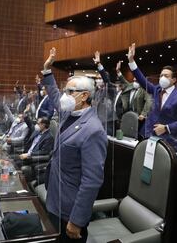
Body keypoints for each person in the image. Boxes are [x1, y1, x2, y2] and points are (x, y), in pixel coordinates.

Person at [42, 47, 107, 242]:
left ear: (85, 96)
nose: (65, 96)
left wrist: (77, 220)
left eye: (70, 92)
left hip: (70, 210)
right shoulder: (68, 113)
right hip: (54, 197)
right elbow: (54, 96)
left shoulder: (93, 130)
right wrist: (47, 70)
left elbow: (92, 181)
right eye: (66, 91)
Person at [126, 43, 177, 152]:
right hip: (151, 139)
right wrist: (131, 61)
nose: (162, 78)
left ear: (174, 80)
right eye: (161, 75)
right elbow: (142, 80)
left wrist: (167, 128)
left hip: (170, 142)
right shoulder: (156, 90)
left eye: (166, 76)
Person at [116, 60, 152, 138]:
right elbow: (123, 80)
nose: (134, 81)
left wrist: (143, 114)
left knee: (137, 135)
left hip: (139, 118)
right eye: (134, 80)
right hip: (129, 115)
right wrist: (118, 71)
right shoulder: (131, 86)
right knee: (128, 134)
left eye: (137, 80)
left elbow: (149, 101)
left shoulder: (145, 89)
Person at [92, 51, 119, 136]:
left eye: (100, 78)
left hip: (108, 121)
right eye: (97, 78)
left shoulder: (111, 88)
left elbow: (106, 80)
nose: (98, 80)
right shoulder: (98, 91)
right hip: (98, 120)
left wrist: (99, 65)